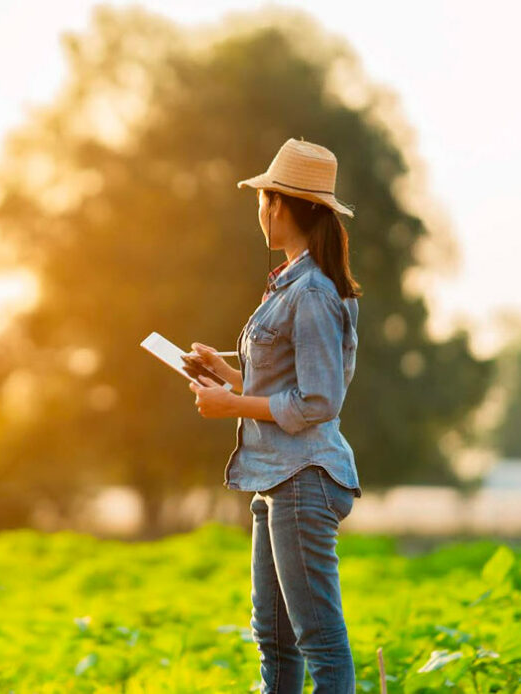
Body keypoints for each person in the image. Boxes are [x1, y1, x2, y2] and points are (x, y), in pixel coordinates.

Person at [185, 138, 363, 693]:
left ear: (280, 205)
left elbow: (319, 401)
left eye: (262, 200)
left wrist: (232, 405)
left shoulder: (310, 291)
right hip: (277, 479)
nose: (259, 212)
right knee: (276, 642)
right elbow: (288, 385)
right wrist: (227, 373)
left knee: (318, 641)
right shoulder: (292, 285)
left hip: (302, 479)